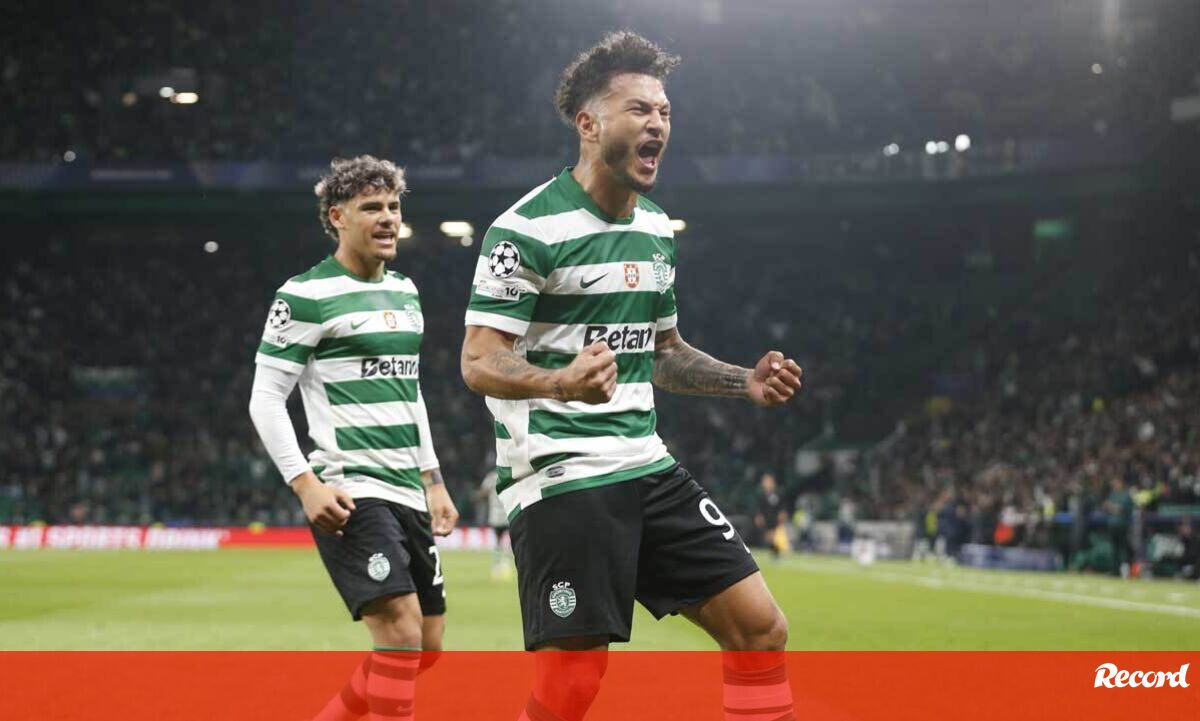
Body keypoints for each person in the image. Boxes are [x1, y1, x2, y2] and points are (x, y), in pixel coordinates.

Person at [459, 32, 802, 721]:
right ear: (589, 124)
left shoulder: (654, 229)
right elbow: (478, 359)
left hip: (646, 464)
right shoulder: (525, 231)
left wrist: (743, 381)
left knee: (760, 629)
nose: (658, 124)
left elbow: (663, 351)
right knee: (573, 684)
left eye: (665, 111)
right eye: (639, 109)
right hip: (562, 473)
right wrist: (562, 382)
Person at [248, 155, 459, 721]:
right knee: (400, 633)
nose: (388, 217)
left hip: (407, 487)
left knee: (428, 645)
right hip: (351, 488)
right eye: (371, 208)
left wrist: (433, 479)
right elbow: (265, 397)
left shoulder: (406, 292)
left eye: (393, 206)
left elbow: (410, 392)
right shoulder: (305, 295)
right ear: (337, 217)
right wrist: (305, 484)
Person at [475, 466, 514, 579]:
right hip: (508, 513)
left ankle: (497, 565)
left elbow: (483, 492)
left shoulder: (491, 477)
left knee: (498, 541)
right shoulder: (509, 473)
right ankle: (507, 563)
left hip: (495, 516)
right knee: (511, 540)